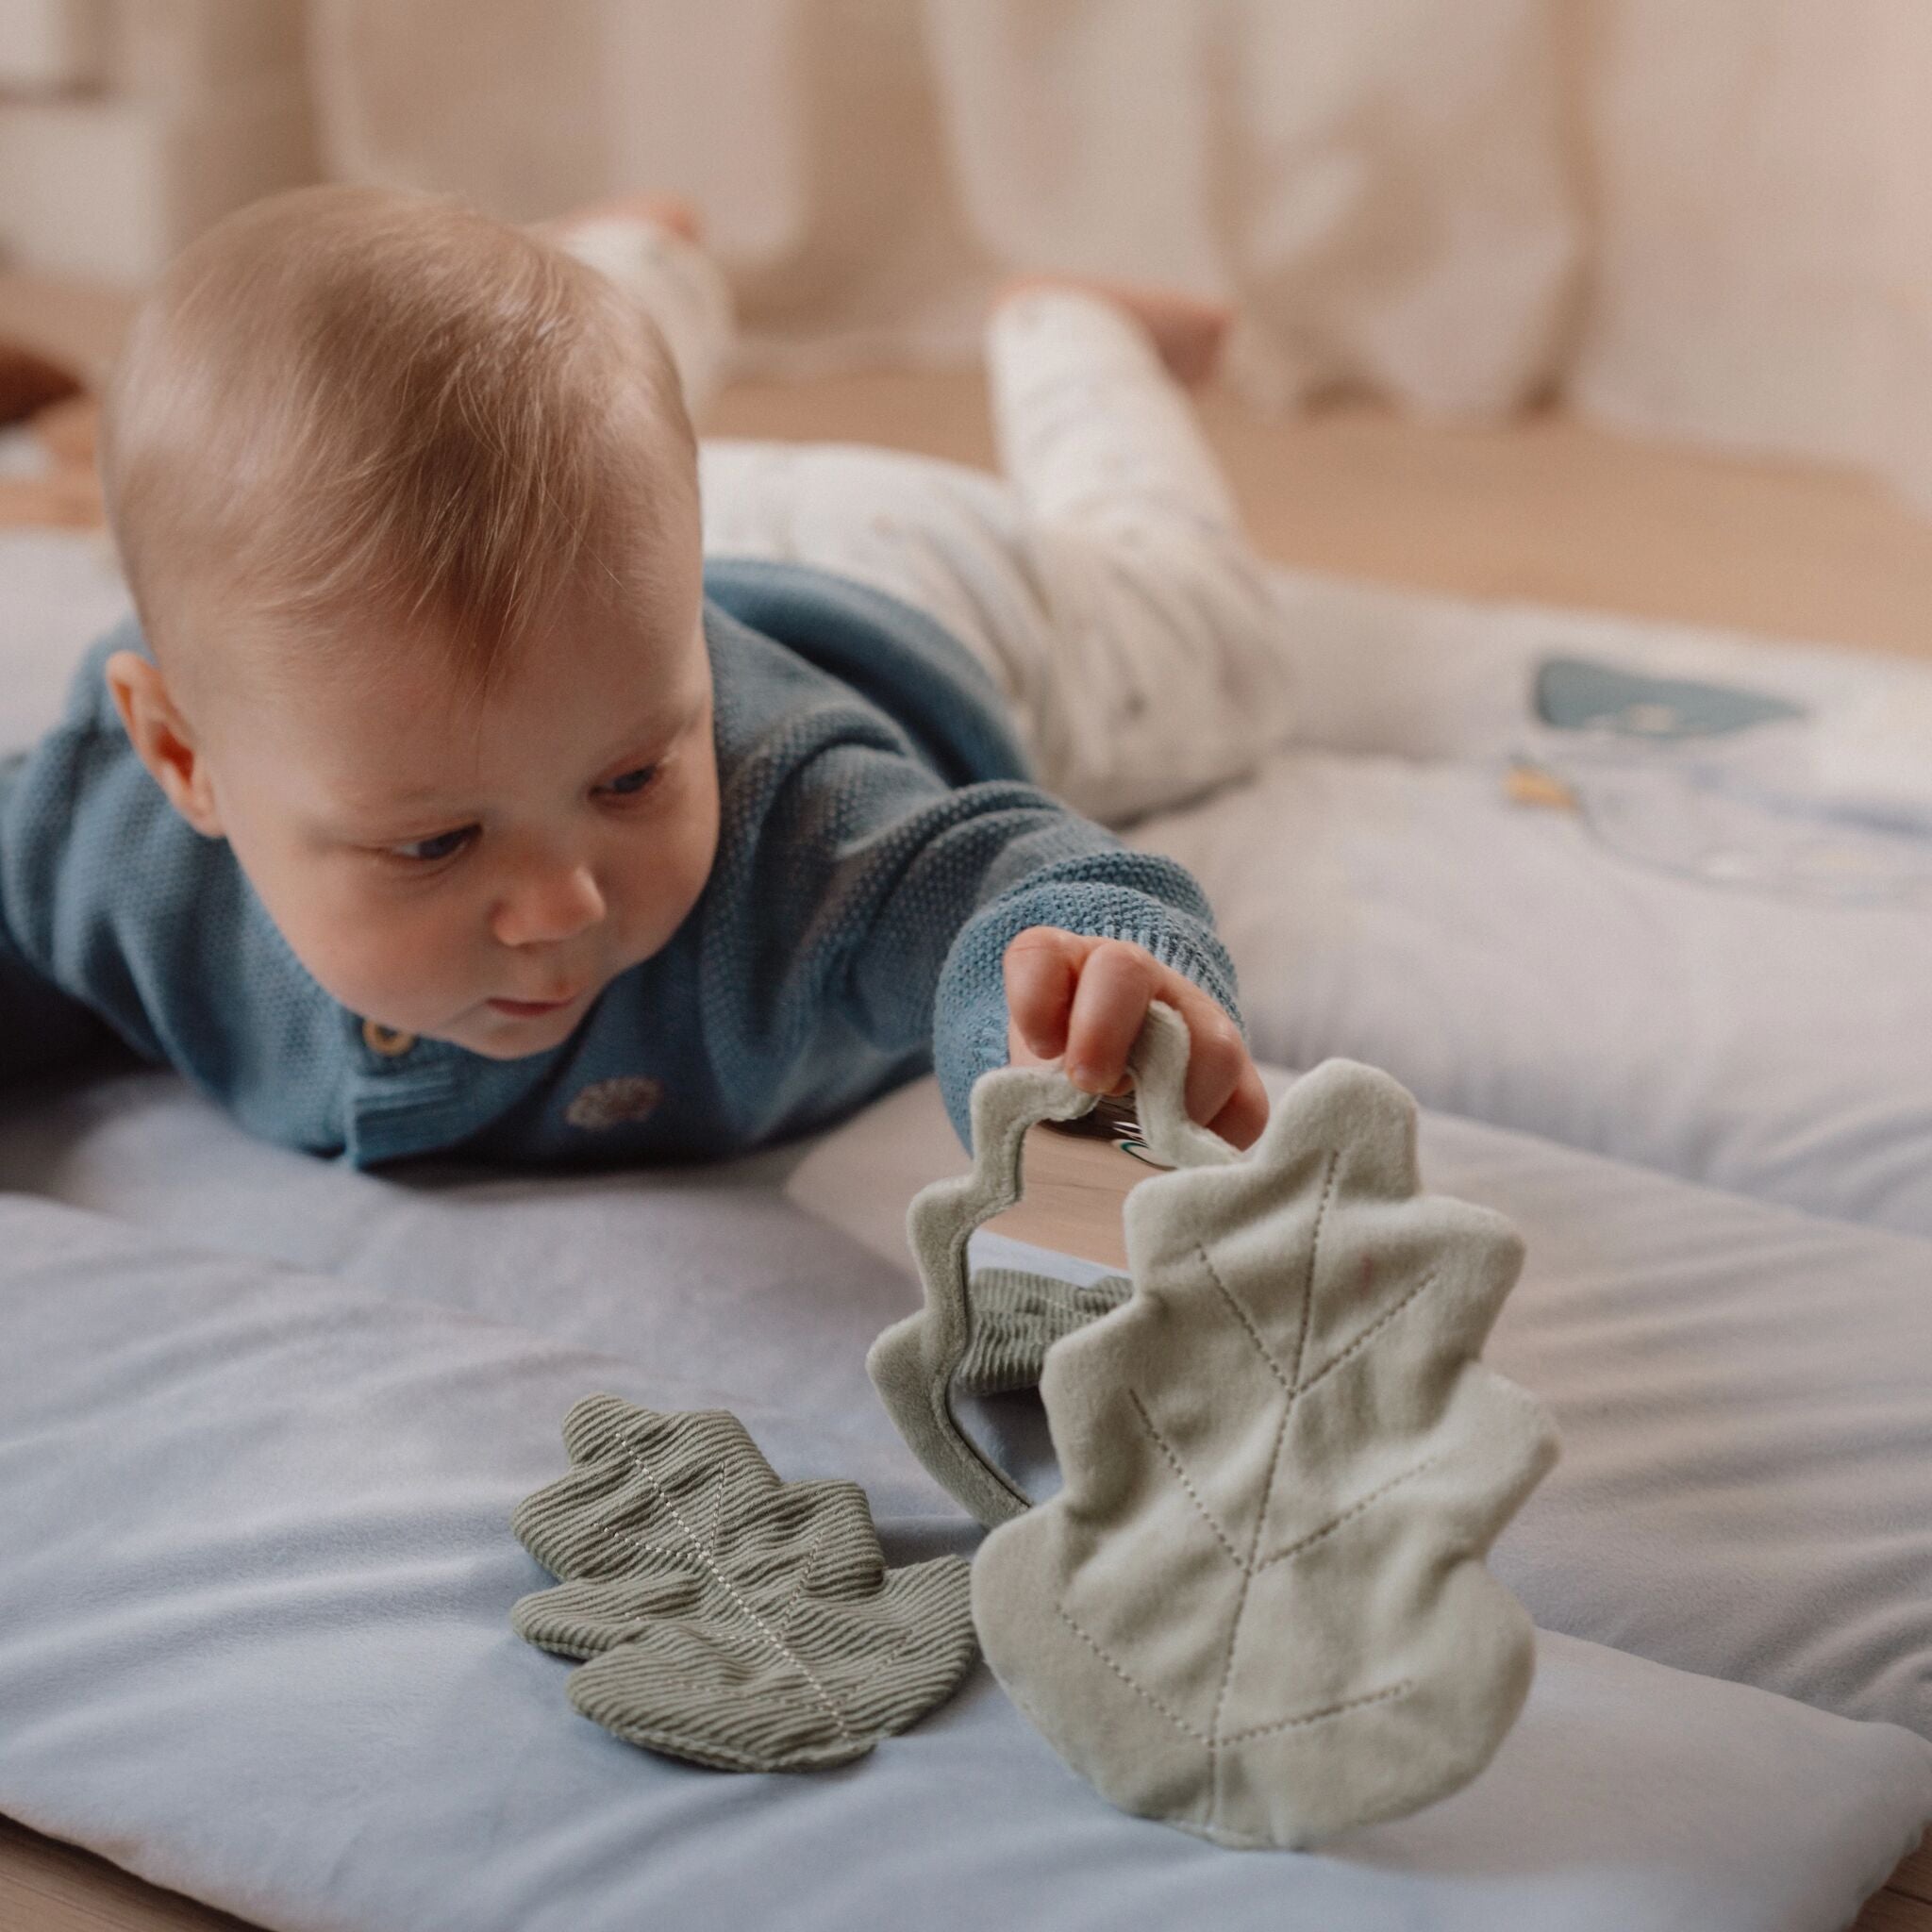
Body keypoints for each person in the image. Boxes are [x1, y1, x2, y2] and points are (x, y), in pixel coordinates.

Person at [0, 184, 1293, 1169]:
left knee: (1209, 638)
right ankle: (635, 253)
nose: (562, 908)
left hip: (920, 579)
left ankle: (1075, 338)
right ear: (184, 759)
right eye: (437, 843)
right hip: (607, 580)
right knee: (527, 391)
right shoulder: (109, 848)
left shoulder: (793, 828)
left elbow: (1005, 898)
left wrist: (1066, 1020)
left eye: (630, 779)